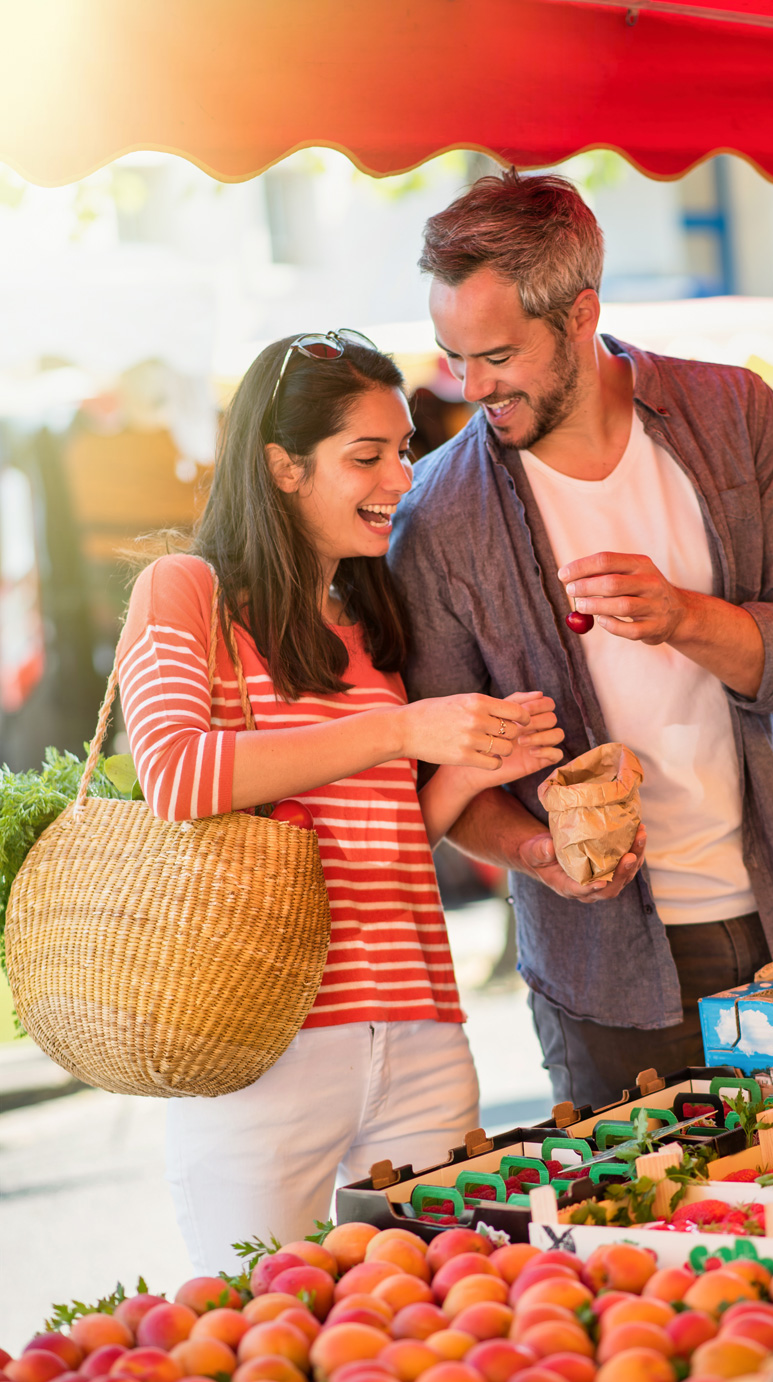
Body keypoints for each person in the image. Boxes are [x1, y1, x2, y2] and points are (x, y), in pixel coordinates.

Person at [388, 171, 773, 1111]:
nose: (472, 388)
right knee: (638, 1239)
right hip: (601, 976)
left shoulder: (734, 416)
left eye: (495, 355)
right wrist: (530, 852)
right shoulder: (434, 514)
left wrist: (687, 617)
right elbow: (438, 766)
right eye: (453, 357)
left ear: (579, 313)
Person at [117, 331, 563, 1273]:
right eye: (366, 456)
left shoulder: (369, 619)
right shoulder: (184, 590)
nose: (399, 479)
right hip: (259, 1048)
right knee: (258, 1333)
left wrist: (476, 764)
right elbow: (177, 777)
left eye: (402, 450)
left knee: (447, 1315)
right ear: (280, 466)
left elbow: (393, 837)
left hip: (419, 1027)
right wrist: (402, 733)